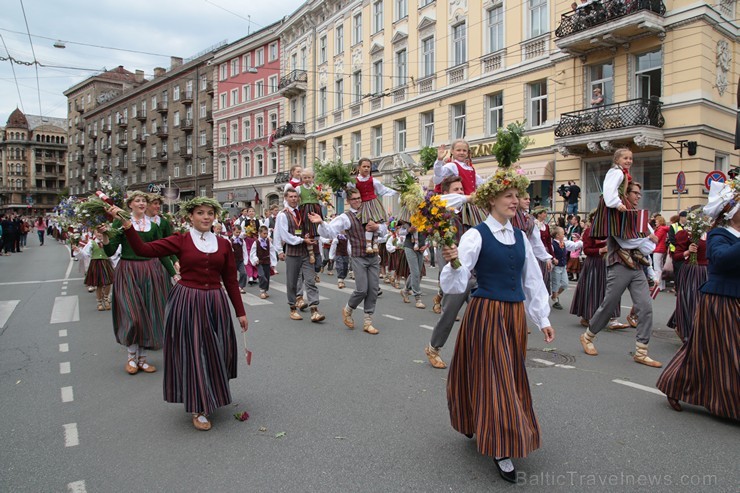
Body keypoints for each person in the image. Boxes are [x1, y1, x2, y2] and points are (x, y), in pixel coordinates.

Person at [441, 164, 554, 483]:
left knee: (508, 374)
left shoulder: (520, 235)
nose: (515, 200)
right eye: (509, 195)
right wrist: (453, 262)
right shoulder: (476, 235)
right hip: (487, 313)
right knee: (497, 377)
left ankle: (481, 422)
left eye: (518, 195)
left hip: (514, 316)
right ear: (491, 201)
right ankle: (501, 446)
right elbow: (456, 281)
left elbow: (531, 279)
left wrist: (541, 317)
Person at [109, 197, 247, 431]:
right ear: (190, 217)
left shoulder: (223, 244)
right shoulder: (181, 240)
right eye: (200, 213)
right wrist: (127, 227)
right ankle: (198, 407)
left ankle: (210, 394)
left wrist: (240, 312)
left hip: (215, 302)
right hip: (188, 302)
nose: (206, 217)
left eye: (210, 213)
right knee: (194, 352)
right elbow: (144, 249)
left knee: (216, 351)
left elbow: (231, 280)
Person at [657, 179, 739, 420]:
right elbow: (721, 259)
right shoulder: (718, 234)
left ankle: (677, 384)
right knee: (729, 354)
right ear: (731, 211)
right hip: (722, 299)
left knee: (703, 348)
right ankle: (728, 404)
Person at [579, 181, 663, 367]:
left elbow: (651, 246)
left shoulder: (640, 216)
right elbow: (625, 243)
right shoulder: (615, 214)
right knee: (609, 305)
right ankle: (588, 337)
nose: (638, 196)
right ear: (626, 193)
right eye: (635, 193)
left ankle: (641, 351)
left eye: (640, 194)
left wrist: (644, 240)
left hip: (637, 266)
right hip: (619, 264)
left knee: (645, 307)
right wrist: (645, 239)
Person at [101, 191, 176, 375]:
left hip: (151, 272)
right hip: (128, 271)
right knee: (132, 315)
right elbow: (110, 251)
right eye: (138, 200)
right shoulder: (121, 223)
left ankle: (142, 359)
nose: (142, 203)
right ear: (130, 205)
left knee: (148, 315)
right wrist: (104, 236)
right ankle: (131, 357)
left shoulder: (153, 225)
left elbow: (161, 251)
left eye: (144, 201)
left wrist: (174, 273)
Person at [311, 188, 386, 334]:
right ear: (348, 201)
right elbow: (330, 231)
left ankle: (368, 321)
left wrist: (378, 227)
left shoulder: (371, 212)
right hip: (358, 257)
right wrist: (321, 223)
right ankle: (348, 309)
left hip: (373, 256)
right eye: (354, 199)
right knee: (362, 289)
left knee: (373, 290)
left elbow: (384, 230)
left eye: (359, 198)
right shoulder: (346, 217)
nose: (357, 201)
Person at [424, 176, 478, 369]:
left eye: (462, 188)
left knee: (481, 311)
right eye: (457, 189)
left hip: (474, 269)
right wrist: (464, 198)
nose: (462, 192)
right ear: (446, 192)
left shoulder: (469, 210)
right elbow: (436, 201)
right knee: (450, 313)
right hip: (452, 265)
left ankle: (477, 353)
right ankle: (433, 348)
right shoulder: (441, 206)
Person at [276, 188, 324, 322]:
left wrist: (308, 235)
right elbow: (283, 235)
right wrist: (280, 249)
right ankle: (292, 308)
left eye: (295, 196)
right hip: (292, 252)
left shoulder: (303, 212)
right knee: (292, 282)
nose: (293, 199)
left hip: (306, 251)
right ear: (286, 198)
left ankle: (314, 310)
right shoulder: (282, 215)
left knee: (310, 280)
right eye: (290, 196)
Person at [666, 219, 708, 342]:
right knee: (691, 300)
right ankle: (688, 332)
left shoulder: (714, 234)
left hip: (706, 272)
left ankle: (679, 322)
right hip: (691, 270)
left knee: (702, 302)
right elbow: (677, 255)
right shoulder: (686, 234)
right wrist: (688, 251)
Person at [346, 157, 397, 253]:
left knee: (376, 223)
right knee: (368, 224)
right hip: (362, 205)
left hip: (373, 203)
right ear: (359, 168)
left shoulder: (373, 180)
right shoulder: (354, 182)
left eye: (368, 167)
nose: (366, 169)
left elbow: (383, 190)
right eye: (364, 166)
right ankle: (369, 244)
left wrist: (396, 191)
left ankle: (375, 243)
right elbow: (348, 192)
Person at [433, 141, 487, 227]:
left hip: (472, 207)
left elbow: (483, 184)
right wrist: (439, 160)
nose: (461, 153)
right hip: (460, 206)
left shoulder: (470, 168)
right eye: (458, 150)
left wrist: (498, 174)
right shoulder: (452, 165)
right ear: (452, 151)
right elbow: (438, 176)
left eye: (464, 150)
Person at [78, 229, 114, 311]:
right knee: (99, 284)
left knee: (108, 282)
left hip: (106, 263)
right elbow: (85, 253)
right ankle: (99, 302)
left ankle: (106, 298)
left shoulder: (108, 241)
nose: (100, 234)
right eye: (98, 232)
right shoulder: (91, 242)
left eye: (102, 232)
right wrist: (78, 251)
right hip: (96, 264)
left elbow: (114, 252)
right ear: (95, 233)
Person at [549, 226, 582, 309]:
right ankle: (555, 300)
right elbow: (549, 254)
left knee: (565, 284)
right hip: (556, 267)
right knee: (555, 284)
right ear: (557, 235)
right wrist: (553, 259)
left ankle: (555, 296)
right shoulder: (553, 245)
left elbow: (574, 245)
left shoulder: (564, 243)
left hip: (563, 266)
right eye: (562, 233)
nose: (564, 235)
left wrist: (582, 241)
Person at [249, 225, 277, 299]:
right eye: (264, 233)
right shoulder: (256, 242)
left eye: (266, 233)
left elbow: (272, 251)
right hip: (260, 262)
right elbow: (252, 252)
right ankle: (262, 291)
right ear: (260, 233)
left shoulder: (268, 241)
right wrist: (255, 259)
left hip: (267, 262)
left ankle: (265, 291)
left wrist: (273, 263)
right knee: (261, 276)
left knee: (267, 276)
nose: (266, 235)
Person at [652, 214, 670, 291]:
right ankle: (661, 285)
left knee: (657, 267)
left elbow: (656, 239)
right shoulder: (663, 229)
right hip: (661, 249)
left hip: (657, 249)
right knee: (660, 267)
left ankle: (657, 285)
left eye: (656, 222)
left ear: (660, 222)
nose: (655, 223)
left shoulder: (660, 229)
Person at [231, 225, 248, 293]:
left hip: (240, 260)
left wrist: (245, 260)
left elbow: (244, 250)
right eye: (237, 232)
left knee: (243, 273)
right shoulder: (230, 240)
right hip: (233, 260)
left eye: (239, 232)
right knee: (233, 275)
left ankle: (241, 286)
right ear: (233, 231)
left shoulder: (242, 241)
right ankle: (233, 286)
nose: (238, 234)